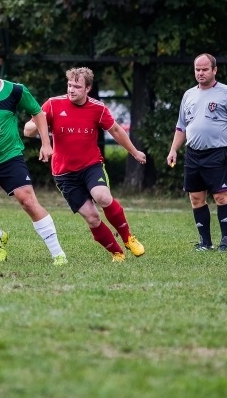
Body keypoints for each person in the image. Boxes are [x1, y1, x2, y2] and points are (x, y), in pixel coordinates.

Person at [23, 67, 147, 263]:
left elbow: (115, 130)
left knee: (102, 196)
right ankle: (117, 253)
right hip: (64, 173)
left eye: (77, 86)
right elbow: (28, 129)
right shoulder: (54, 104)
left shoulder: (98, 108)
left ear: (88, 88)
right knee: (92, 218)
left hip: (91, 166)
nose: (71, 90)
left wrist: (134, 152)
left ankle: (128, 238)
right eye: (69, 85)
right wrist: (39, 126)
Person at [0, 50, 67, 265]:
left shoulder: (15, 91)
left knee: (28, 202)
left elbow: (38, 113)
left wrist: (46, 143)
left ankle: (58, 254)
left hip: (9, 157)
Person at [166, 53, 227, 252]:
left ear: (214, 70)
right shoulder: (188, 95)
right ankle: (205, 242)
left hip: (216, 153)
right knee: (196, 198)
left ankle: (225, 241)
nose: (200, 73)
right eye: (197, 70)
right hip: (193, 154)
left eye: (204, 69)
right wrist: (173, 149)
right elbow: (181, 127)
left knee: (221, 197)